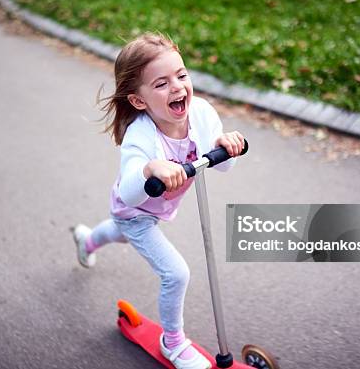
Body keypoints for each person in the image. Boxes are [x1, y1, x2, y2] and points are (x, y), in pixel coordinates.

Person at [72, 32, 244, 369]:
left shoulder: (201, 112)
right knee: (175, 273)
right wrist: (151, 167)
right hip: (134, 211)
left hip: (156, 210)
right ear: (139, 100)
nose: (178, 87)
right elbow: (129, 191)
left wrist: (227, 145)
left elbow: (221, 165)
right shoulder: (140, 133)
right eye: (161, 84)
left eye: (181, 75)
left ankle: (87, 240)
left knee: (115, 233)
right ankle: (173, 343)